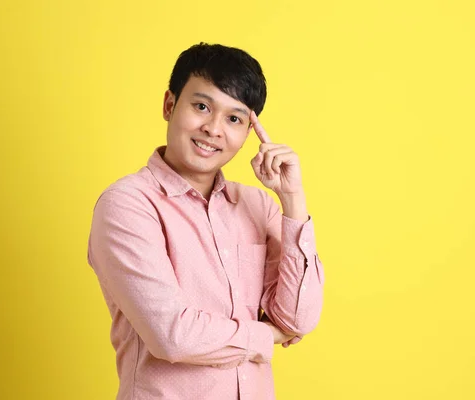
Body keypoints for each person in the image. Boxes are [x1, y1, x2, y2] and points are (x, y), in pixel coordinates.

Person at [87, 43, 324, 400]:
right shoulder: (128, 205)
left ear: (249, 132)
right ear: (170, 105)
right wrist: (266, 335)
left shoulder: (258, 205)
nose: (214, 129)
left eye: (234, 118)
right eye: (201, 106)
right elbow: (172, 334)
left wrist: (292, 199)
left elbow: (298, 319)